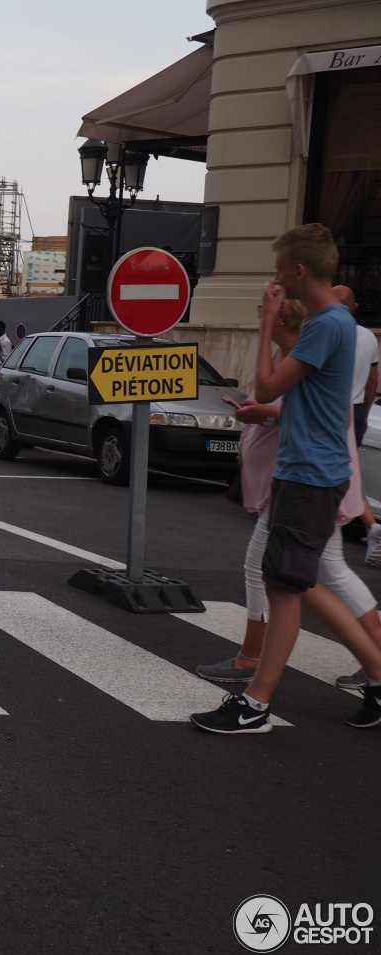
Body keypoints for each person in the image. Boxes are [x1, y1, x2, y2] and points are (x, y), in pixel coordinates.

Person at [191, 223, 381, 733]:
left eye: (279, 270)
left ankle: (256, 705)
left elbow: (268, 384)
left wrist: (268, 322)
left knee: (286, 584)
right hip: (311, 473)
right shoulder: (337, 324)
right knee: (296, 582)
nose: (275, 280)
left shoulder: (324, 325)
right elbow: (305, 401)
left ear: (299, 272)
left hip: (309, 476)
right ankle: (376, 676)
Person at [332, 285, 381, 564]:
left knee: (337, 473)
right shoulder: (368, 337)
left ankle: (361, 526)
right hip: (355, 408)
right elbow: (372, 382)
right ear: (355, 307)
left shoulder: (323, 329)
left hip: (328, 409)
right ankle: (370, 525)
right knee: (347, 471)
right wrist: (362, 412)